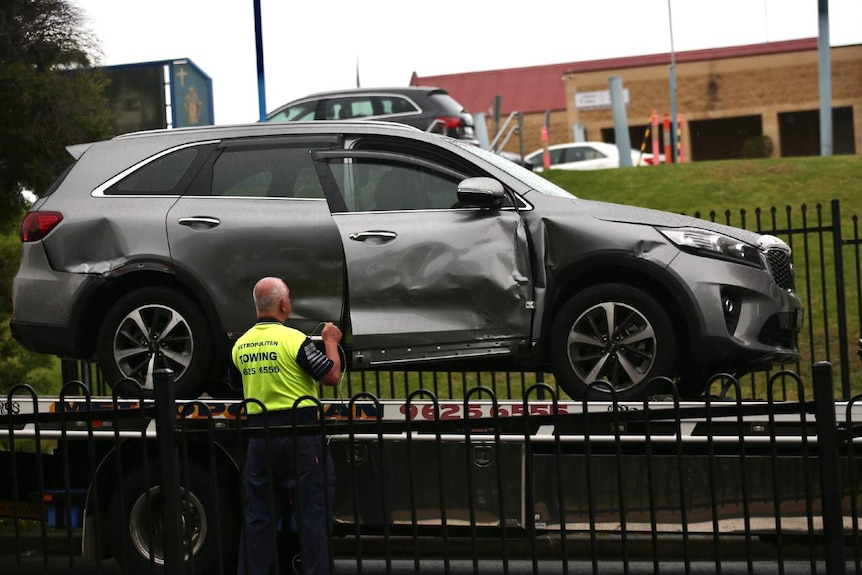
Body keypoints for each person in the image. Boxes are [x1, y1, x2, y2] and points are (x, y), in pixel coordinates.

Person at [232, 277, 342, 575]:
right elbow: (330, 376)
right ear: (283, 304)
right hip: (300, 437)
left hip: (259, 438)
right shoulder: (293, 340)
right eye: (289, 297)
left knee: (258, 520)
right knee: (313, 518)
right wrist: (330, 341)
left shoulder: (241, 345)